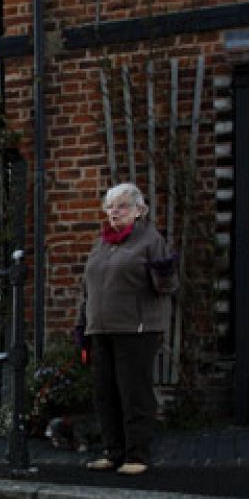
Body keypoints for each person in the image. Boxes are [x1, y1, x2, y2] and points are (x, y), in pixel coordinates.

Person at [77, 182, 177, 476]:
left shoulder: (150, 240)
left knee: (134, 393)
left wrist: (165, 271)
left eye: (122, 206)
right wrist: (81, 325)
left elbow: (167, 287)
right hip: (101, 329)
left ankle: (138, 454)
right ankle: (113, 451)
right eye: (110, 206)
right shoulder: (102, 243)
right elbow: (87, 288)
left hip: (137, 329)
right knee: (105, 393)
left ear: (139, 210)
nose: (114, 212)